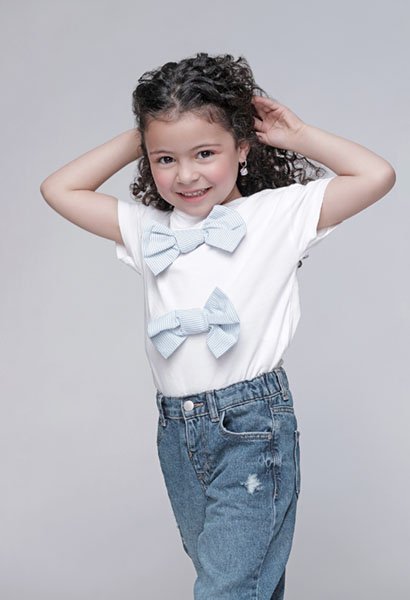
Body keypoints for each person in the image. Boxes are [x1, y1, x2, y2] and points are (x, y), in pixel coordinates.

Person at [40, 52, 396, 600]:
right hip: (178, 433)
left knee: (228, 590)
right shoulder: (149, 230)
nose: (186, 175)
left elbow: (377, 175)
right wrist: (144, 134)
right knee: (248, 584)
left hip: (251, 427)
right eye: (165, 158)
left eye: (205, 153)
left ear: (242, 146)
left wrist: (299, 136)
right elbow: (58, 189)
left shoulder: (276, 214)